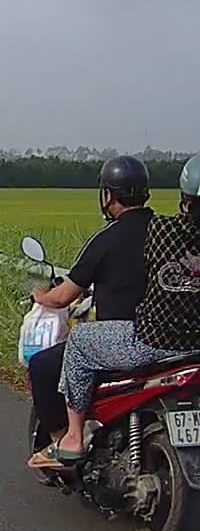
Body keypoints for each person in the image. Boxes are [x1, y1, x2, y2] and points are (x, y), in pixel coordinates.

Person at [29, 155, 200, 469]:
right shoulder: (160, 229)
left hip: (149, 340)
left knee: (77, 342)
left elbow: (63, 297)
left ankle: (72, 437)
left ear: (108, 195)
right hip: (192, 347)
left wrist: (41, 295)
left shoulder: (157, 232)